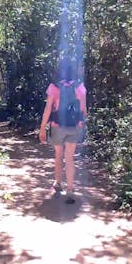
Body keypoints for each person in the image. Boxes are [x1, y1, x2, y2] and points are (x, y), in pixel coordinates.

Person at [39, 70, 87, 204]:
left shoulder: (54, 87)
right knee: (70, 157)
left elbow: (48, 108)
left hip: (57, 126)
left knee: (59, 154)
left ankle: (58, 182)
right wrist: (81, 124)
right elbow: (83, 110)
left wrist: (43, 128)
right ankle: (70, 189)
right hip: (74, 127)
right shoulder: (80, 87)